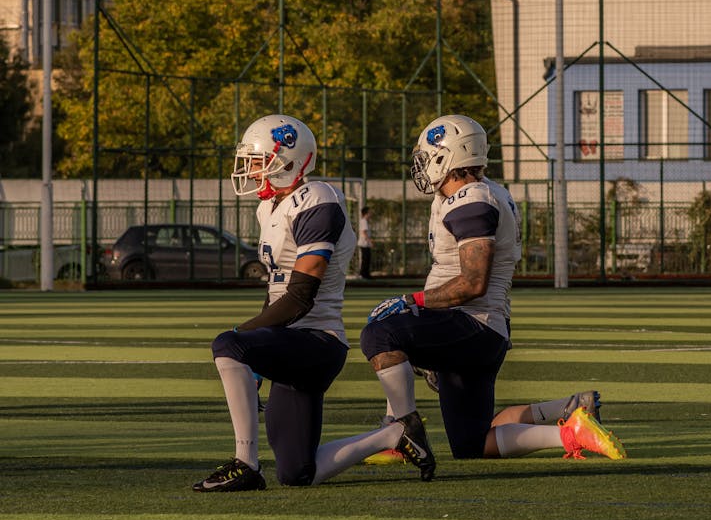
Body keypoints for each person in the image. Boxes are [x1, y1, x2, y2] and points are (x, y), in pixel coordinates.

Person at [360, 114, 626, 476]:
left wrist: (412, 301)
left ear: (447, 156)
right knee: (471, 443)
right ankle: (570, 430)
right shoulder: (481, 193)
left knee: (381, 332)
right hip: (484, 331)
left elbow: (472, 284)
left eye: (427, 156)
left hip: (471, 324)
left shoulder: (471, 199)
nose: (421, 166)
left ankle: (400, 434)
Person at [192, 113, 432, 492]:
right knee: (296, 472)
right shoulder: (269, 207)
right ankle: (395, 435)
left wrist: (246, 340)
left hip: (317, 341)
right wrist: (256, 347)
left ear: (287, 159)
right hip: (293, 342)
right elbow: (276, 288)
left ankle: (245, 464)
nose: (252, 172)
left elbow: (301, 295)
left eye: (258, 163)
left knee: (228, 344)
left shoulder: (317, 198)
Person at [358, 206, 373, 279]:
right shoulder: (364, 221)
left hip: (366, 244)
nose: (371, 214)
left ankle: (366, 273)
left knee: (367, 259)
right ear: (366, 213)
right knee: (365, 259)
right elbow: (364, 232)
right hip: (364, 243)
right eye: (369, 212)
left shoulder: (366, 221)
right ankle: (363, 274)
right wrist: (369, 241)